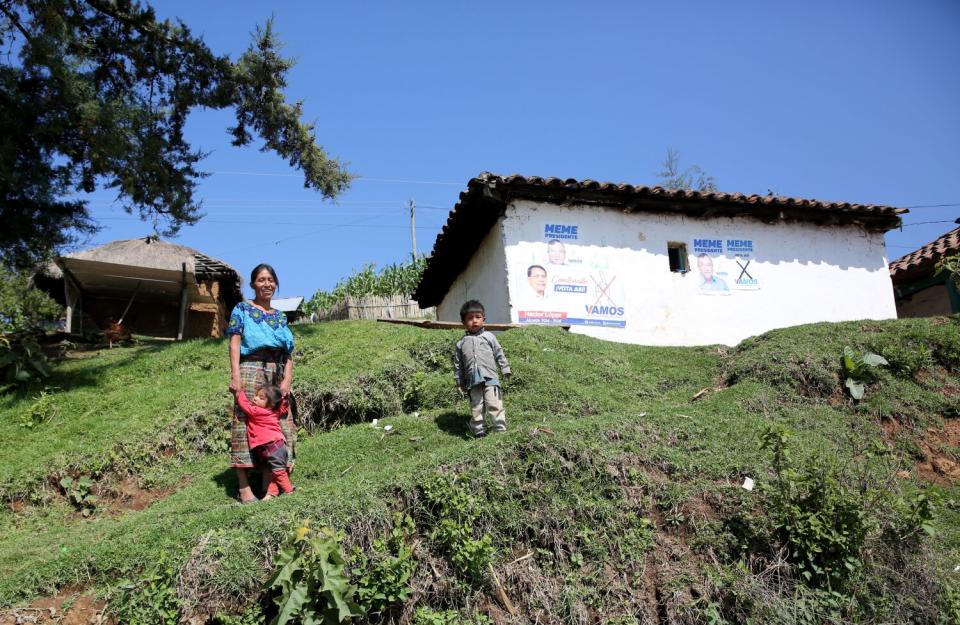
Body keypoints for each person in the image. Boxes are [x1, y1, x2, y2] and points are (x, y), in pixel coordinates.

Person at [226, 263, 296, 504]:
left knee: (279, 425)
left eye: (271, 280)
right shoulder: (242, 309)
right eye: (261, 280)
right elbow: (235, 342)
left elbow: (288, 353)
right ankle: (244, 488)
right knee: (244, 424)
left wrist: (287, 380)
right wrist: (235, 374)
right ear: (253, 284)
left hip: (276, 374)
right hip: (249, 370)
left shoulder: (280, 317)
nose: (267, 284)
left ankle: (270, 486)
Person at [454, 300, 512, 437]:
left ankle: (500, 429)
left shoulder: (489, 337)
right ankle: (479, 431)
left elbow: (499, 353)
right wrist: (459, 381)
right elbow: (458, 364)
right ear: (463, 322)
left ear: (484, 319)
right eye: (470, 318)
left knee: (494, 404)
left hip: (490, 378)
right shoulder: (461, 343)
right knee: (476, 407)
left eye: (478, 317)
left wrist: (505, 368)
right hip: (472, 381)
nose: (474, 321)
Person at [232, 384, 294, 499]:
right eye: (256, 395)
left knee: (279, 472)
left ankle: (289, 491)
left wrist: (239, 393)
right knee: (274, 473)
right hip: (278, 447)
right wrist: (285, 399)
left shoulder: (257, 411)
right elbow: (283, 409)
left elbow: (245, 405)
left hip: (273, 448)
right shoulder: (274, 412)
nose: (255, 398)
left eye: (261, 398)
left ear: (270, 405)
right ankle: (272, 494)